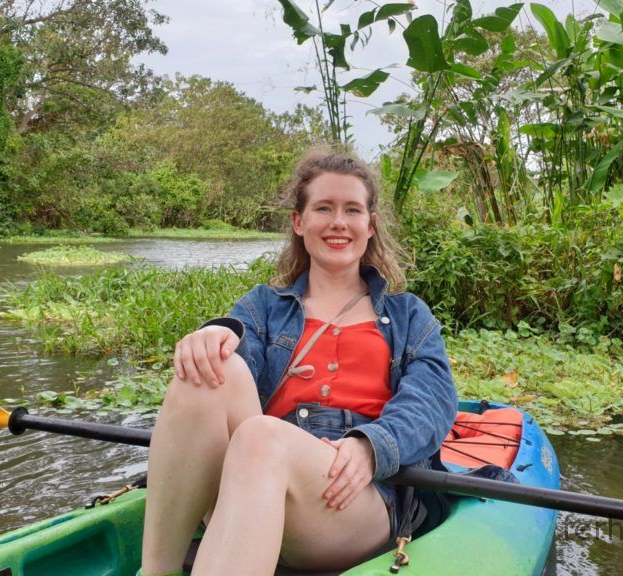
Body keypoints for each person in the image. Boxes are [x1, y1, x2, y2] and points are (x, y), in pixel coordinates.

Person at [140, 148, 458, 576]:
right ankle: (157, 571)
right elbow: (237, 353)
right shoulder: (264, 306)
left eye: (352, 210)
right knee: (211, 369)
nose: (338, 222)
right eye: (323, 208)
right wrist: (214, 335)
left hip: (355, 497)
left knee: (261, 437)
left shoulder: (408, 316)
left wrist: (372, 446)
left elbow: (432, 403)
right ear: (299, 222)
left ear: (370, 225)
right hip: (252, 475)